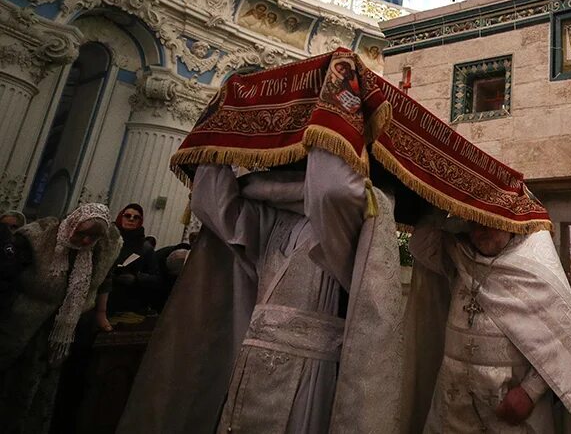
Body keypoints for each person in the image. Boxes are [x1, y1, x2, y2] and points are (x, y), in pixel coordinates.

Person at [117, 150, 405, 434]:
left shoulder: (346, 221)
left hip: (309, 372)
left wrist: (332, 118)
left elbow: (331, 190)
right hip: (249, 361)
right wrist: (222, 129)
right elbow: (210, 202)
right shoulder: (270, 215)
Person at [404, 213, 571, 434]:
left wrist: (530, 392)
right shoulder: (460, 256)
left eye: (488, 222)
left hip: (510, 411)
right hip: (454, 404)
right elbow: (419, 244)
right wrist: (445, 200)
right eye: (472, 222)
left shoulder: (536, 271)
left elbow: (565, 343)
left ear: (510, 222)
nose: (478, 231)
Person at [0, 203, 120, 433]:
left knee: (43, 394)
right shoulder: (38, 238)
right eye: (81, 234)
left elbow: (104, 280)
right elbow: (8, 274)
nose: (86, 241)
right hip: (25, 325)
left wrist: (101, 314)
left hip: (61, 335)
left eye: (93, 237)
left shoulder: (100, 250)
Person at [96, 204, 160, 330]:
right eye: (127, 216)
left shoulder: (145, 248)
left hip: (125, 300)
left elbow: (156, 277)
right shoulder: (108, 238)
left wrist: (136, 278)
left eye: (136, 217)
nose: (131, 219)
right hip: (99, 294)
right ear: (121, 217)